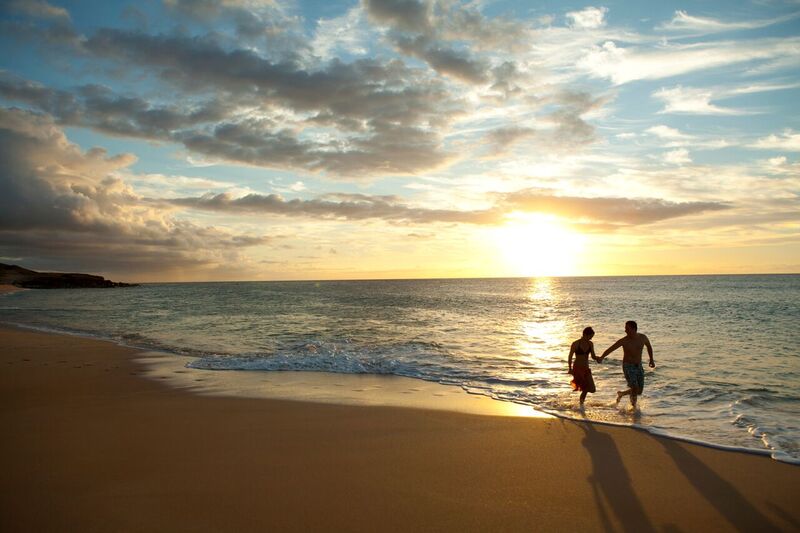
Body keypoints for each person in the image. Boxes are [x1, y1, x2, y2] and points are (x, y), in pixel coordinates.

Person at [600, 320, 654, 408]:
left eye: (627, 329)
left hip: (639, 366)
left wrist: (651, 360)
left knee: (639, 391)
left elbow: (649, 346)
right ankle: (634, 408)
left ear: (634, 329)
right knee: (635, 387)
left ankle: (622, 394)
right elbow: (611, 348)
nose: (625, 331)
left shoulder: (643, 337)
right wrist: (602, 357)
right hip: (628, 366)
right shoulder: (624, 341)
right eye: (625, 329)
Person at [568, 326, 600, 405]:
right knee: (585, 388)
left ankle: (581, 403)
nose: (591, 338)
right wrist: (570, 368)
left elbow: (592, 356)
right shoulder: (576, 344)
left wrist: (598, 358)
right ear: (585, 334)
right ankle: (581, 405)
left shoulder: (590, 344)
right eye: (590, 336)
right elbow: (570, 356)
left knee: (592, 389)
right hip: (577, 368)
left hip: (586, 368)